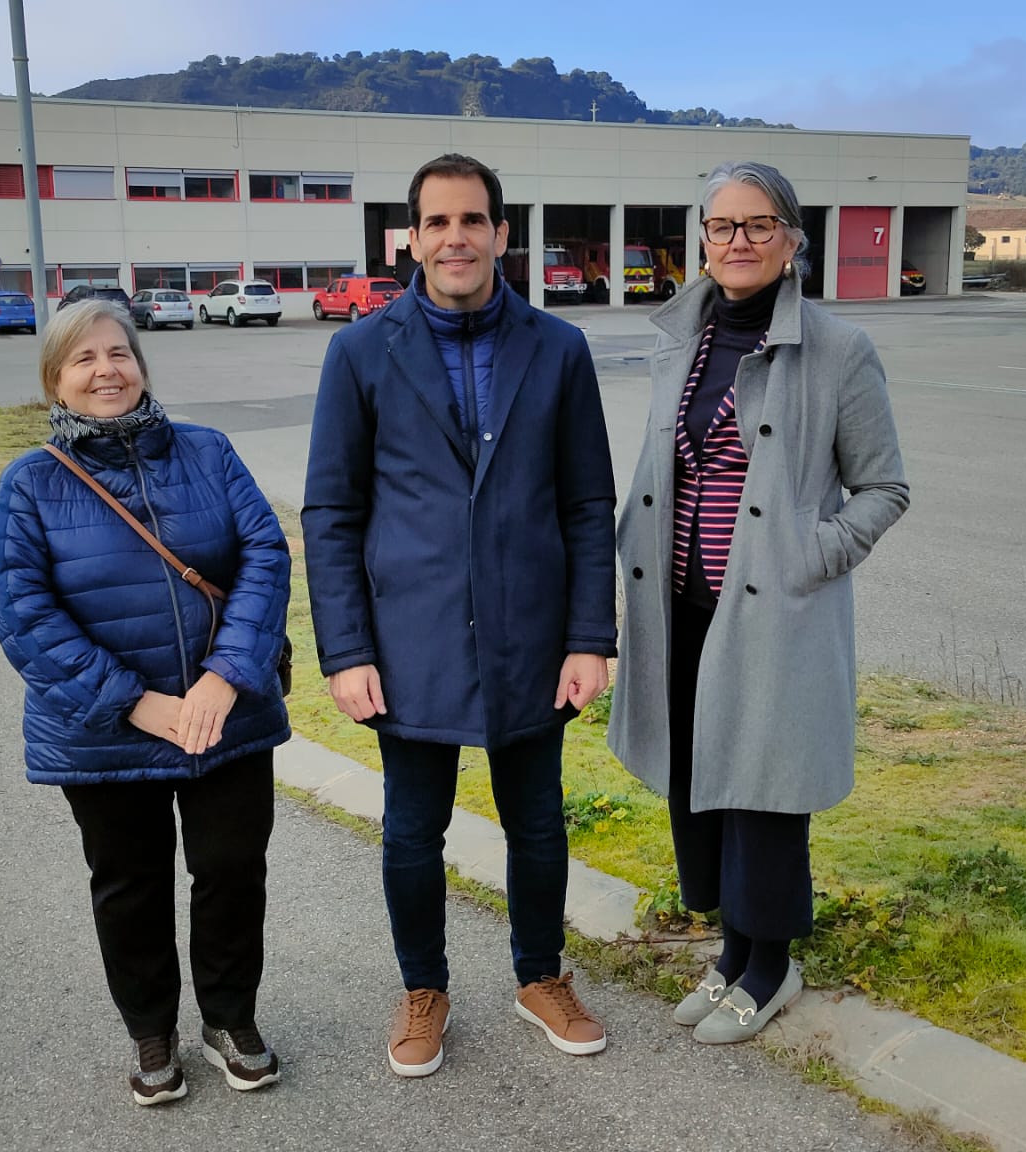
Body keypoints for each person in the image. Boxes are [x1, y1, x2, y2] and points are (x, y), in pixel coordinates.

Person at [303, 153, 619, 1078]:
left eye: (472, 220)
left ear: (501, 234)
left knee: (539, 823)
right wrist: (347, 648)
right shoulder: (361, 351)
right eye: (437, 223)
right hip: (411, 641)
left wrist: (589, 636)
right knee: (411, 830)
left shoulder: (557, 349)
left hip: (531, 635)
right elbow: (333, 512)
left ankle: (540, 977)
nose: (455, 238)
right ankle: (424, 988)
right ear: (411, 237)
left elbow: (586, 504)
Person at [607, 161, 910, 1044]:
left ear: (792, 240)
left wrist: (815, 553)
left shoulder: (840, 349)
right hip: (682, 607)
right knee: (702, 781)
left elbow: (884, 486)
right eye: (721, 226)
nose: (737, 242)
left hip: (775, 609)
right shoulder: (682, 340)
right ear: (700, 239)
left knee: (765, 791)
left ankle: (771, 965)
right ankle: (731, 949)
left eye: (758, 225)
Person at [0, 299, 292, 1106]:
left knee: (230, 872)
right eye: (83, 360)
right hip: (106, 732)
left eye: (118, 353)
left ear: (142, 366)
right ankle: (151, 1030)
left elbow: (264, 553)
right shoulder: (31, 484)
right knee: (130, 883)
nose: (106, 371)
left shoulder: (208, 452)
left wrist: (225, 676)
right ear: (56, 378)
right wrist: (135, 704)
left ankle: (229, 1019)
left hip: (226, 716)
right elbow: (23, 612)